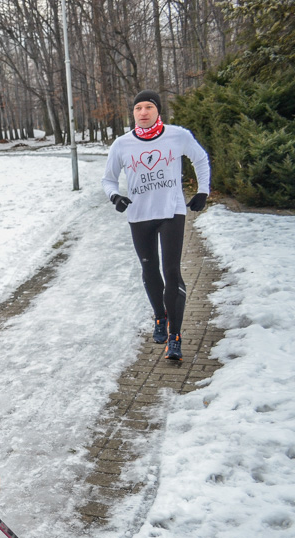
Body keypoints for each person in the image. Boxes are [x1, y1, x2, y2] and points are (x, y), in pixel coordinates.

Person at [102, 89, 211, 361]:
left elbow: (200, 158)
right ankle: (159, 317)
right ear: (134, 113)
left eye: (149, 106)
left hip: (171, 212)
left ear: (157, 110)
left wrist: (203, 191)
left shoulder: (177, 135)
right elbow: (108, 179)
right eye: (138, 108)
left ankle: (175, 336)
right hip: (139, 215)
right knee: (149, 269)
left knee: (171, 271)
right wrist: (114, 196)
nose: (143, 112)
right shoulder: (122, 144)